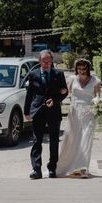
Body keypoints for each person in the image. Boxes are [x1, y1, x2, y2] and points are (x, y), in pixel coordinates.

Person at [24, 50, 68, 179]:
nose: (46, 64)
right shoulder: (33, 74)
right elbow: (29, 94)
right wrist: (26, 111)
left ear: (52, 61)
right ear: (40, 61)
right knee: (37, 140)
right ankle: (36, 169)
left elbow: (64, 92)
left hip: (53, 111)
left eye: (49, 61)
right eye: (44, 61)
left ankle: (52, 168)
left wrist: (54, 100)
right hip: (37, 110)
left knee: (54, 140)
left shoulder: (59, 74)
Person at [56, 58, 102, 178]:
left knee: (86, 140)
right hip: (75, 113)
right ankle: (69, 166)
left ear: (88, 69)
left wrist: (98, 103)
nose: (81, 71)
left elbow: (98, 96)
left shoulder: (95, 81)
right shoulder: (71, 79)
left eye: (84, 69)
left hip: (89, 114)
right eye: (79, 69)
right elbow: (64, 92)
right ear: (76, 69)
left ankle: (82, 168)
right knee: (72, 140)